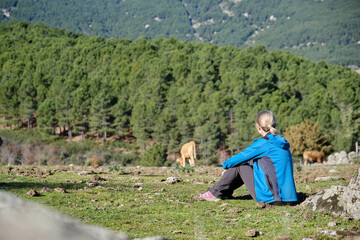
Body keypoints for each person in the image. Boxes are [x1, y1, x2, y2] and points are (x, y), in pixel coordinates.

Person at [198, 110, 298, 205]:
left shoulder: (263, 143)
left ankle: (214, 193)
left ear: (258, 127)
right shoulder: (282, 143)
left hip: (272, 198)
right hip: (290, 198)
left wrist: (225, 166)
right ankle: (225, 192)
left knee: (240, 166)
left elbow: (240, 158)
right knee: (250, 162)